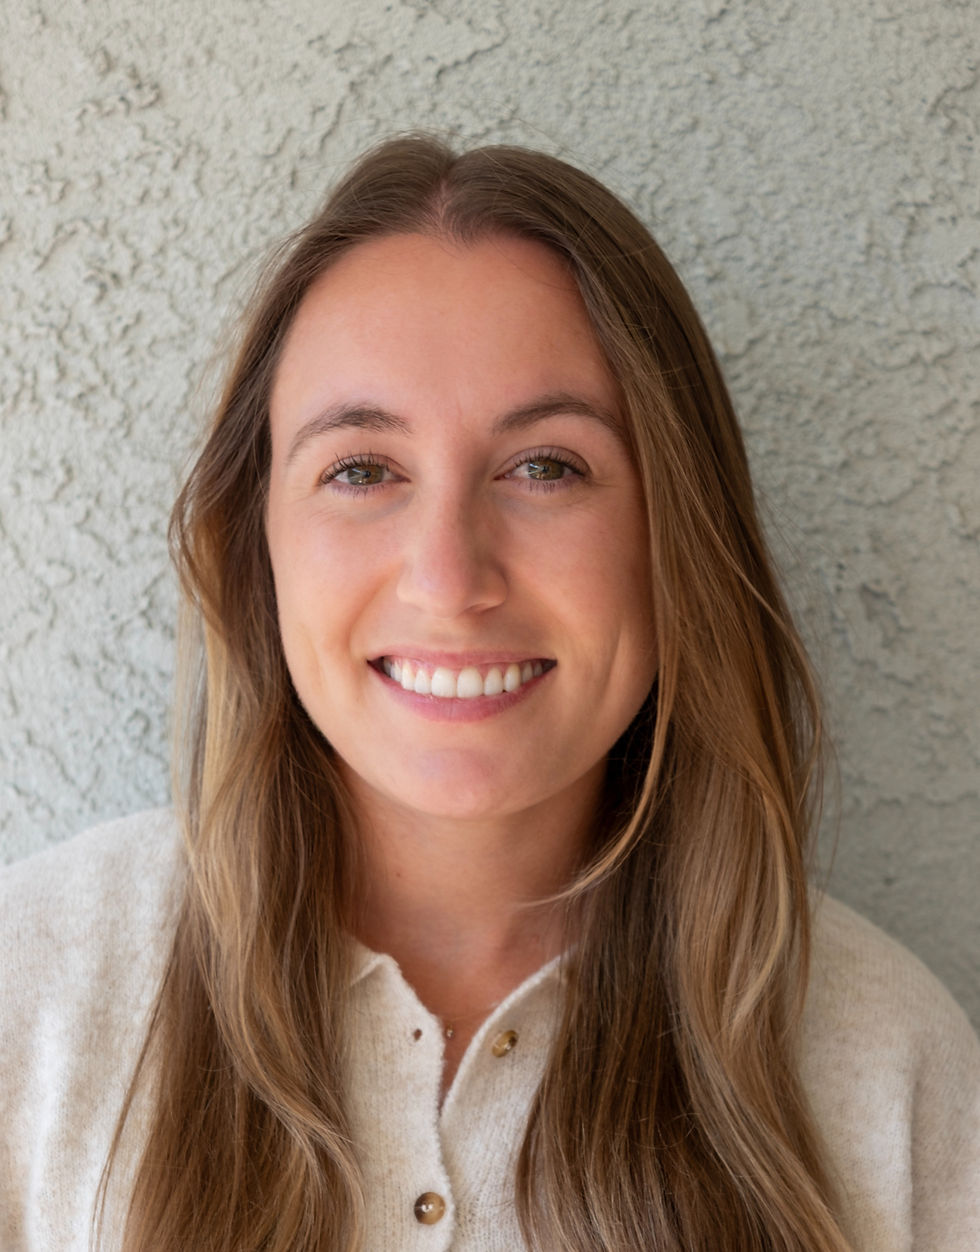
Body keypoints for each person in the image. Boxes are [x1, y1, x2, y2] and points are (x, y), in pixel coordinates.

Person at [1, 134, 978, 1252]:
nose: (449, 578)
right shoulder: (32, 999)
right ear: (256, 542)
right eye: (361, 469)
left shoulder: (886, 1068)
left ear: (677, 534)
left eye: (545, 467)